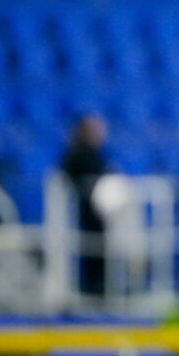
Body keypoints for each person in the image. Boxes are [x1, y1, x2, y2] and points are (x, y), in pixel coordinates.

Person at [61, 114, 110, 298]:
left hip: (100, 211)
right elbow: (68, 176)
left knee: (100, 249)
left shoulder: (97, 153)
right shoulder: (77, 153)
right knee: (89, 247)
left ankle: (99, 286)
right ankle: (91, 286)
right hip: (87, 210)